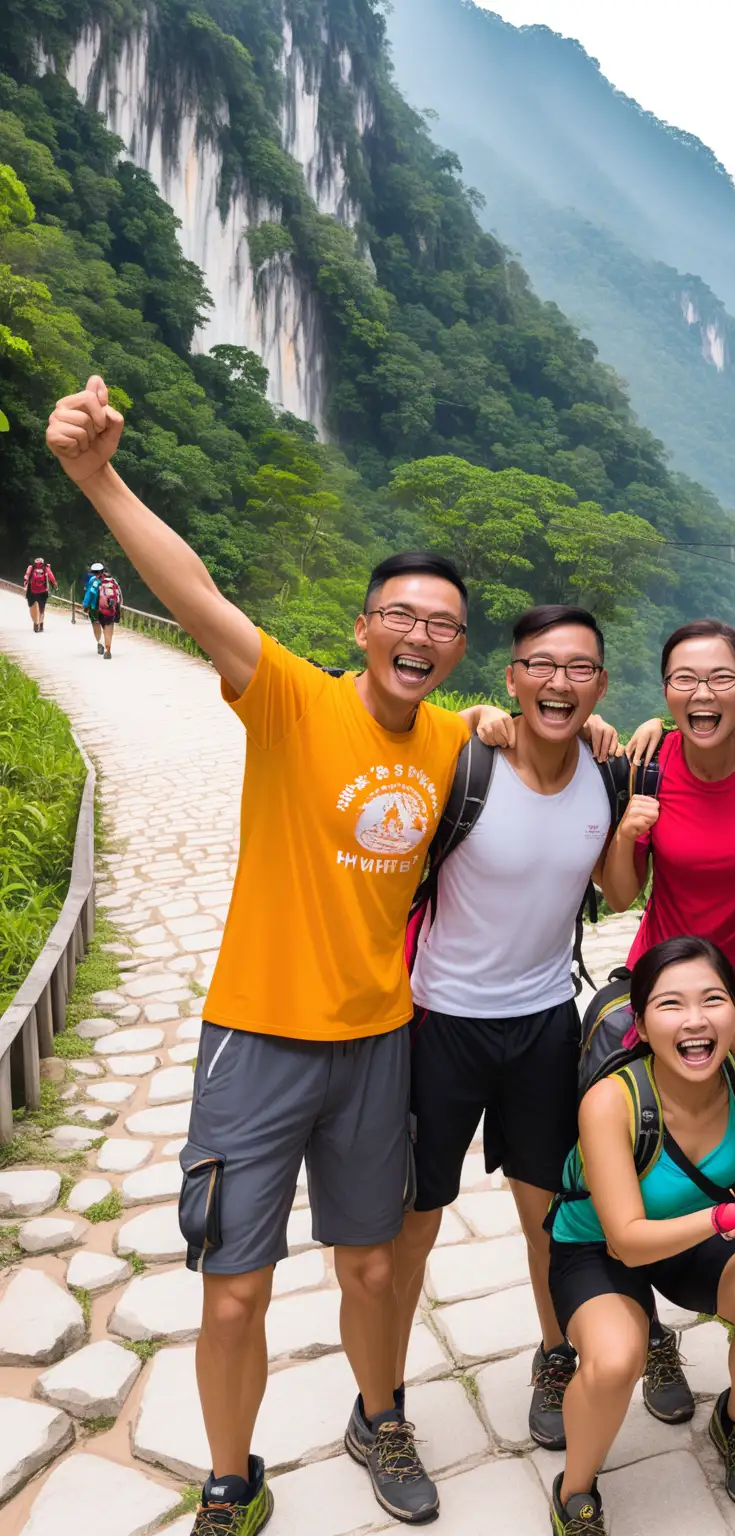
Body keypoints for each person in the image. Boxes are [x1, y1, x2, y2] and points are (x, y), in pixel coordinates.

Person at [44, 375, 510, 1533]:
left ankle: (379, 1413)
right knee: (235, 1288)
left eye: (443, 624)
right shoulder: (292, 697)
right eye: (401, 614)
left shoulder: (459, 739)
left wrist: (606, 726)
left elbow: (549, 734)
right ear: (363, 627)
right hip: (255, 1039)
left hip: (377, 1045)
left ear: (458, 649)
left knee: (368, 1269)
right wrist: (97, 475)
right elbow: (193, 590)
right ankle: (228, 1479)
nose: (420, 635)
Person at [392, 602, 625, 1457]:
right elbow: (400, 725)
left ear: (599, 684)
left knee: (550, 1215)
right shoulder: (466, 756)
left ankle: (556, 1356)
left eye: (578, 669)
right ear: (512, 676)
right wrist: (466, 719)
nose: (558, 683)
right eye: (541, 666)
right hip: (439, 1023)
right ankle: (381, 1402)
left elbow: (620, 887)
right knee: (414, 1220)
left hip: (543, 1026)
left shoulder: (611, 770)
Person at [545, 936, 735, 1534]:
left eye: (713, 999)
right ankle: (575, 1491)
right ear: (639, 1023)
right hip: (603, 1246)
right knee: (614, 1361)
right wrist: (734, 1215)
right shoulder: (612, 1101)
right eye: (670, 1005)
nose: (694, 1021)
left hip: (696, 1236)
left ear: (734, 1012)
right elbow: (627, 1241)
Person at [604, 619, 735, 999]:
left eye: (721, 678)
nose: (703, 694)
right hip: (665, 985)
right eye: (684, 679)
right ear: (666, 691)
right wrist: (624, 833)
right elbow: (619, 899)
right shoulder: (646, 769)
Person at [23, 557, 56, 631]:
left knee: (32, 607)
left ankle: (35, 623)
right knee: (42, 608)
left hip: (32, 591)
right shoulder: (46, 568)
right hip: (43, 591)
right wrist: (55, 585)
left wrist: (25, 585)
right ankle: (41, 624)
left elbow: (26, 576)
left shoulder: (31, 567)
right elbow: (51, 576)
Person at [81, 562, 106, 652]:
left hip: (94, 607)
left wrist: (85, 605)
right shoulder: (110, 580)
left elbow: (90, 593)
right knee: (107, 625)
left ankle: (100, 642)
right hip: (108, 607)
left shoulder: (92, 580)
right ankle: (107, 642)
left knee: (96, 623)